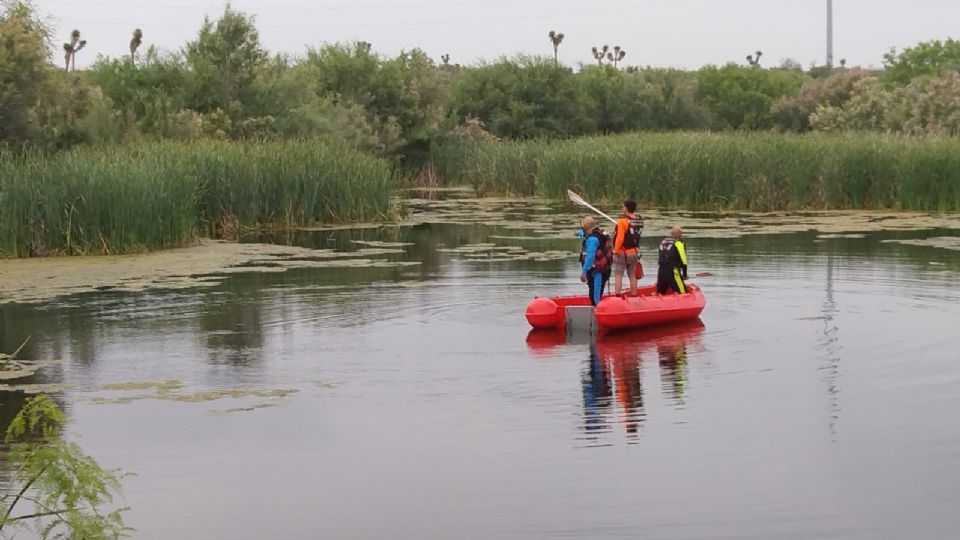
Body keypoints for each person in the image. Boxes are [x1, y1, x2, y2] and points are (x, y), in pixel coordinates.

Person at [612, 200, 644, 296]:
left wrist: (615, 251)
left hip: (622, 252)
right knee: (632, 275)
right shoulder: (639, 220)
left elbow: (620, 239)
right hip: (633, 252)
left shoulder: (622, 221)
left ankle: (617, 295)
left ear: (626, 208)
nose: (622, 209)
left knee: (618, 275)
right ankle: (634, 295)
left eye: (623, 207)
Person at [578, 217, 611, 306]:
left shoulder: (592, 239)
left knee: (595, 291)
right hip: (602, 268)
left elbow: (590, 257)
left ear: (586, 227)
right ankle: (596, 305)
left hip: (597, 270)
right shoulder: (599, 234)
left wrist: (584, 272)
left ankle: (596, 307)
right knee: (595, 289)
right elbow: (585, 235)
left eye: (583, 227)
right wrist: (580, 233)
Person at [656, 226, 688, 294]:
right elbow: (684, 261)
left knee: (660, 293)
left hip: (661, 271)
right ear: (680, 235)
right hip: (673, 271)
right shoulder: (679, 243)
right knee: (683, 293)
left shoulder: (663, 242)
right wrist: (685, 275)